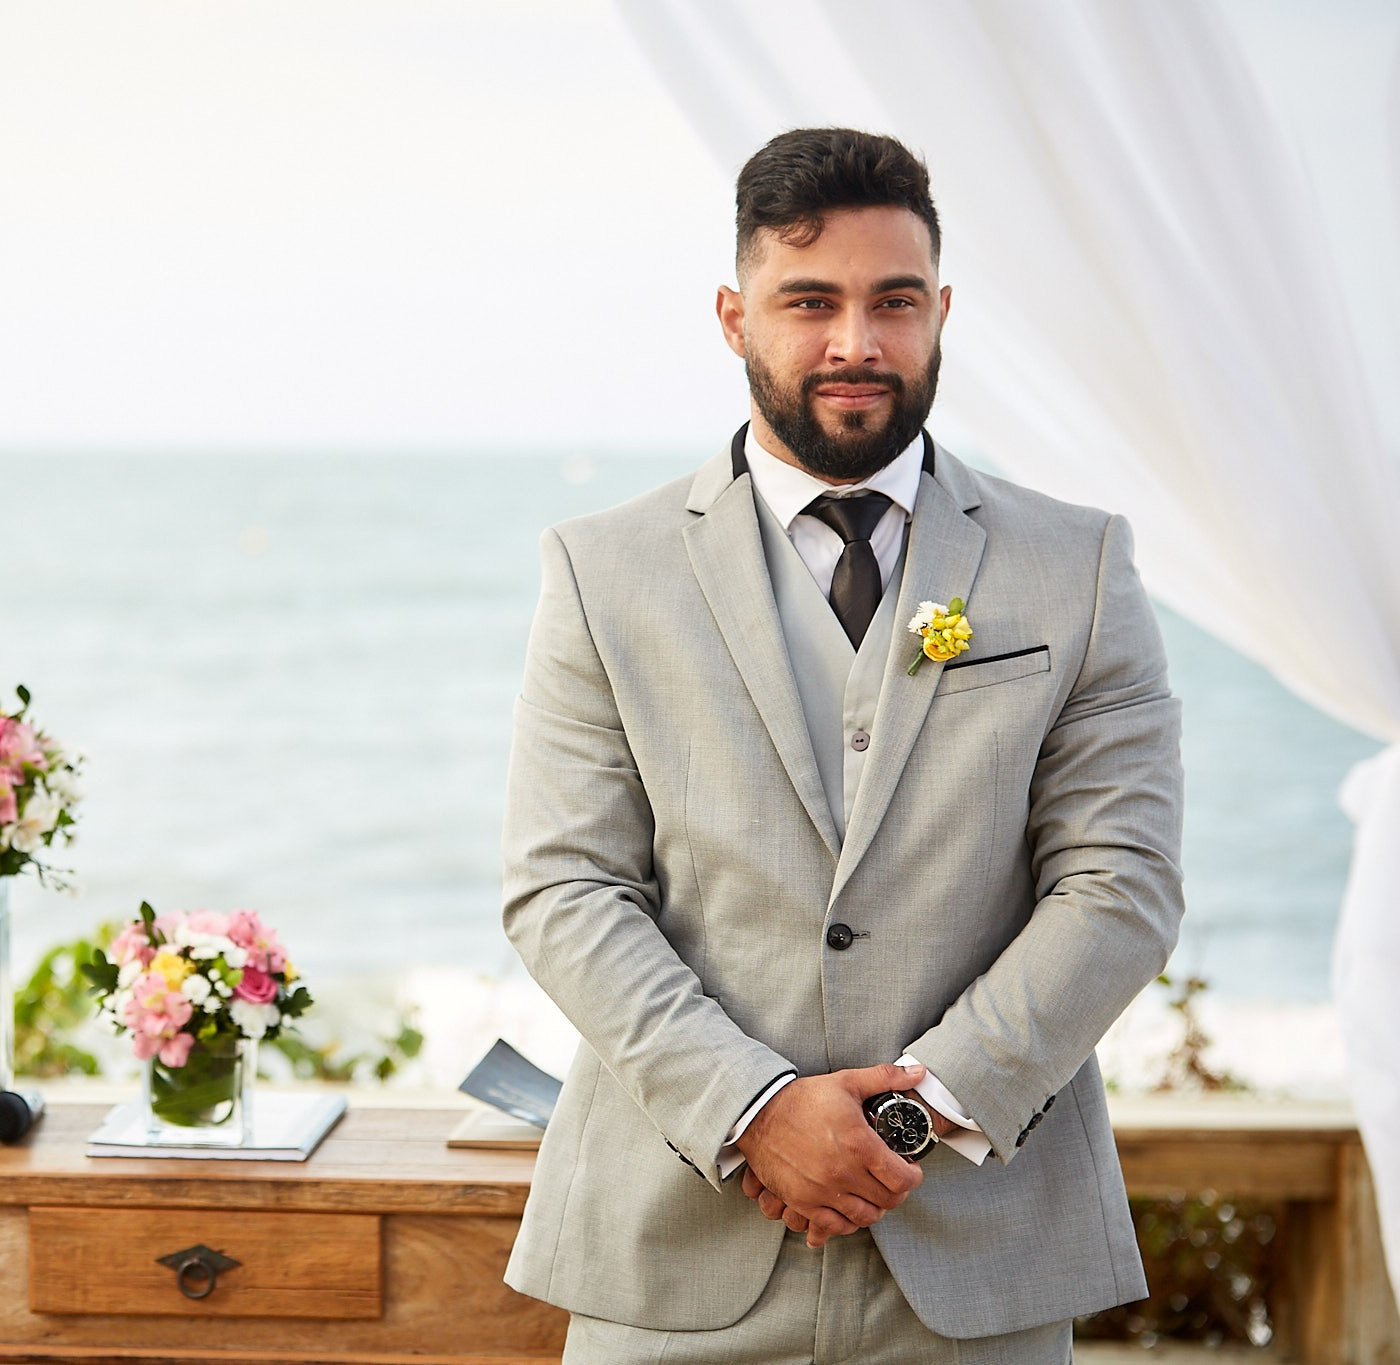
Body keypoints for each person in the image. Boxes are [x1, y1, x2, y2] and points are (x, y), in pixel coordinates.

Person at [500, 127, 1184, 1364]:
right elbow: (564, 887)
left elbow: (1120, 884)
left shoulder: (1075, 566)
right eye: (808, 301)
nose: (854, 344)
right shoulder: (602, 572)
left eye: (893, 302)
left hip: (982, 1253)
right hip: (673, 1250)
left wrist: (914, 1116)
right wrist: (754, 1110)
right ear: (731, 314)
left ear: (941, 312)